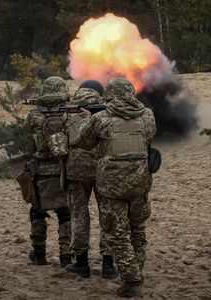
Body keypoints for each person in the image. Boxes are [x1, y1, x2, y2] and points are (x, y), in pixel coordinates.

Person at [72, 77, 156, 298]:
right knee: (137, 231)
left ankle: (131, 280)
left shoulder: (100, 118)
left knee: (117, 235)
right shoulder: (147, 115)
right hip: (140, 183)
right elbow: (149, 136)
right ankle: (136, 271)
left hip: (112, 187)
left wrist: (87, 120)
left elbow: (84, 141)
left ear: (110, 95)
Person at [63, 80, 118, 279]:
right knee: (108, 215)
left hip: (76, 171)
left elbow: (59, 144)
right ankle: (108, 265)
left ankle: (82, 263)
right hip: (104, 170)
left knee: (79, 215)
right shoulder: (108, 113)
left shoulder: (67, 112)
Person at [22, 76, 72, 267]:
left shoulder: (35, 114)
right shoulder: (69, 112)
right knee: (65, 213)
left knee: (37, 212)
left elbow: (26, 129)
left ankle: (39, 254)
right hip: (63, 169)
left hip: (41, 170)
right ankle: (66, 256)